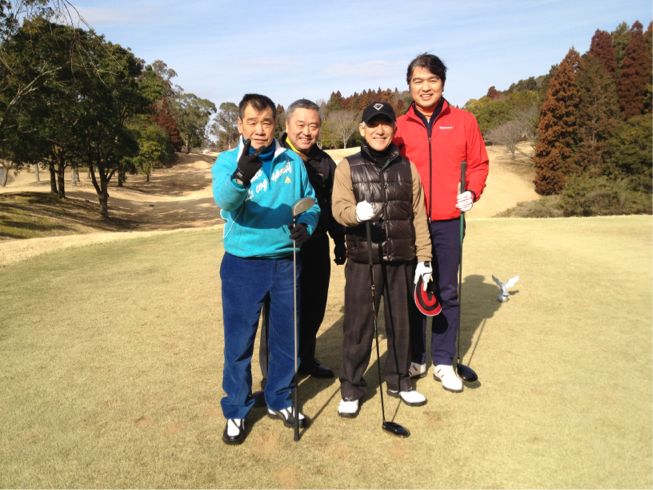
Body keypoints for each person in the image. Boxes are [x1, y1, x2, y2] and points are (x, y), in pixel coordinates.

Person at [212, 93, 320, 444]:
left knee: (285, 339)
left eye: (266, 122)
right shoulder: (227, 162)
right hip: (243, 264)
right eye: (252, 122)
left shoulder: (292, 161)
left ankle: (280, 399)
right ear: (240, 125)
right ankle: (236, 409)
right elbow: (225, 201)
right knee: (239, 342)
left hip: (286, 262)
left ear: (276, 125)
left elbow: (310, 203)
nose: (260, 130)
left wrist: (307, 225)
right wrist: (241, 177)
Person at [394, 53, 489, 393]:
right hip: (411, 222)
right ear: (409, 85)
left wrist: (472, 192)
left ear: (443, 84)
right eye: (418, 81)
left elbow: (478, 164)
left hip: (449, 221)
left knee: (447, 291)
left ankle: (444, 360)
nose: (425, 87)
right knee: (415, 290)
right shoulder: (398, 126)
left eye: (432, 80)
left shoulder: (464, 120)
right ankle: (416, 356)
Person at [331, 101, 433, 417]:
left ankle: (400, 381)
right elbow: (339, 209)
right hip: (364, 260)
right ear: (362, 129)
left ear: (393, 128)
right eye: (373, 124)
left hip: (402, 259)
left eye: (385, 123)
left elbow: (419, 216)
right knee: (358, 326)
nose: (379, 130)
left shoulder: (408, 168)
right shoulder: (347, 166)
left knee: (401, 324)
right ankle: (351, 387)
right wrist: (354, 214)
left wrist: (425, 259)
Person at [259, 99, 346, 380]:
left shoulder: (325, 162)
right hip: (283, 248)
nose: (307, 132)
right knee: (279, 313)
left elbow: (332, 204)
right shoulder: (274, 157)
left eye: (313, 126)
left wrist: (339, 241)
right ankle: (273, 376)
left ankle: (305, 358)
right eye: (301, 125)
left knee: (313, 307)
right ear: (287, 125)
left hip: (316, 244)